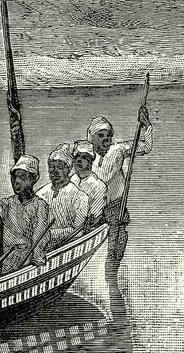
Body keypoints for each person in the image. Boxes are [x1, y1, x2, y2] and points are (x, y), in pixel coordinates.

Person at [87, 110, 153, 265]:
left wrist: (146, 125)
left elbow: (146, 146)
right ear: (91, 138)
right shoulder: (85, 156)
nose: (106, 139)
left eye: (108, 136)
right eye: (100, 135)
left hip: (115, 207)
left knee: (116, 247)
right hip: (94, 209)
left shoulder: (118, 150)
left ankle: (112, 270)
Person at [0, 155, 51, 269]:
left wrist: (38, 258)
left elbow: (40, 236)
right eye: (14, 177)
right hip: (4, 262)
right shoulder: (5, 204)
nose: (16, 181)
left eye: (22, 177)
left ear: (33, 179)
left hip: (25, 264)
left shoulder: (40, 205)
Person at [36, 144, 90, 248]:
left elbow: (78, 231)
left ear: (68, 169)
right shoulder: (40, 195)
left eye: (60, 167)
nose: (54, 171)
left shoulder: (80, 196)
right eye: (51, 167)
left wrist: (49, 234)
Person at [70, 140, 108, 221]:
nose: (79, 160)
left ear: (91, 160)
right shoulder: (71, 180)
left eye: (84, 157)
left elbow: (95, 217)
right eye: (77, 156)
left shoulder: (99, 186)